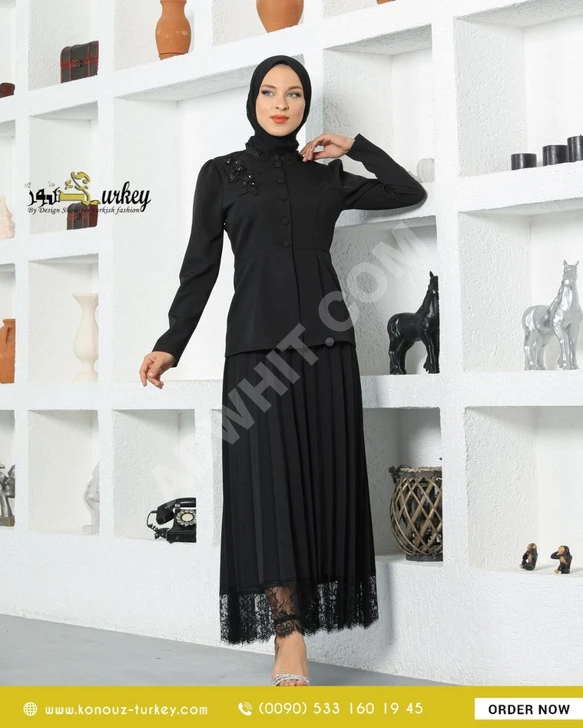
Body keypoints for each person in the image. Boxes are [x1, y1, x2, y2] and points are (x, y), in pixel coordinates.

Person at [140, 54, 427, 687]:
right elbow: (200, 268)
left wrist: (355, 147)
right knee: (266, 490)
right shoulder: (221, 174)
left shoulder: (327, 177)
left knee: (321, 483)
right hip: (255, 352)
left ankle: (304, 623)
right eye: (269, 92)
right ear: (253, 100)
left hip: (327, 349)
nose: (281, 103)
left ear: (305, 105)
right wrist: (171, 343)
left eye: (294, 94)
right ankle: (287, 633)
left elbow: (408, 191)